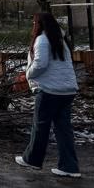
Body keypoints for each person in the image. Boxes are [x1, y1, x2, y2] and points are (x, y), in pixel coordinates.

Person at [15, 12, 82, 178]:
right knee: (63, 129)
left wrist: (28, 74)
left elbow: (40, 63)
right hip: (67, 90)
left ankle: (32, 159)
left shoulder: (42, 40)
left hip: (49, 90)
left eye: (33, 22)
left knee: (40, 126)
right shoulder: (61, 40)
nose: (32, 25)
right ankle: (69, 166)